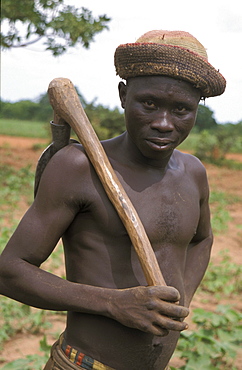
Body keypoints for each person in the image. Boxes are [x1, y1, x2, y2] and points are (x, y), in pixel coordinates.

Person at [0, 30, 226, 370]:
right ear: (123, 95)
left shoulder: (193, 172)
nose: (164, 123)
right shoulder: (78, 167)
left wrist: (183, 297)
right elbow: (9, 271)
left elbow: (202, 239)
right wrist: (113, 303)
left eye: (181, 109)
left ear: (197, 109)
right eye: (148, 104)